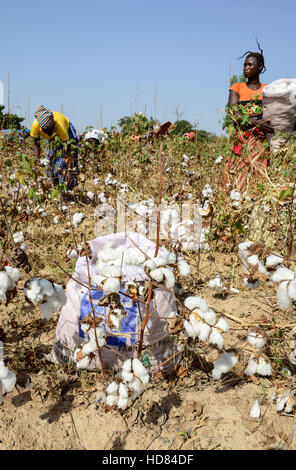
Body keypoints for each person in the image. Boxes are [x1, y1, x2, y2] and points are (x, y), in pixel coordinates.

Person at [223, 43, 273, 192]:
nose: (246, 68)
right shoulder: (237, 87)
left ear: (260, 67)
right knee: (237, 176)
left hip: (260, 141)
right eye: (245, 65)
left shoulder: (268, 89)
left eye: (250, 65)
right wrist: (256, 123)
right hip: (242, 138)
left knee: (259, 176)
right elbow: (233, 112)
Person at [30, 106, 79, 190]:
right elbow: (35, 144)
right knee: (51, 162)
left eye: (51, 130)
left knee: (66, 163)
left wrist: (69, 170)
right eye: (46, 131)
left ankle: (68, 188)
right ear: (41, 128)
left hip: (68, 132)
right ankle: (55, 185)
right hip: (54, 138)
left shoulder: (60, 126)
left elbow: (68, 150)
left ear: (54, 125)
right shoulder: (35, 125)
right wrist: (37, 159)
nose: (49, 133)